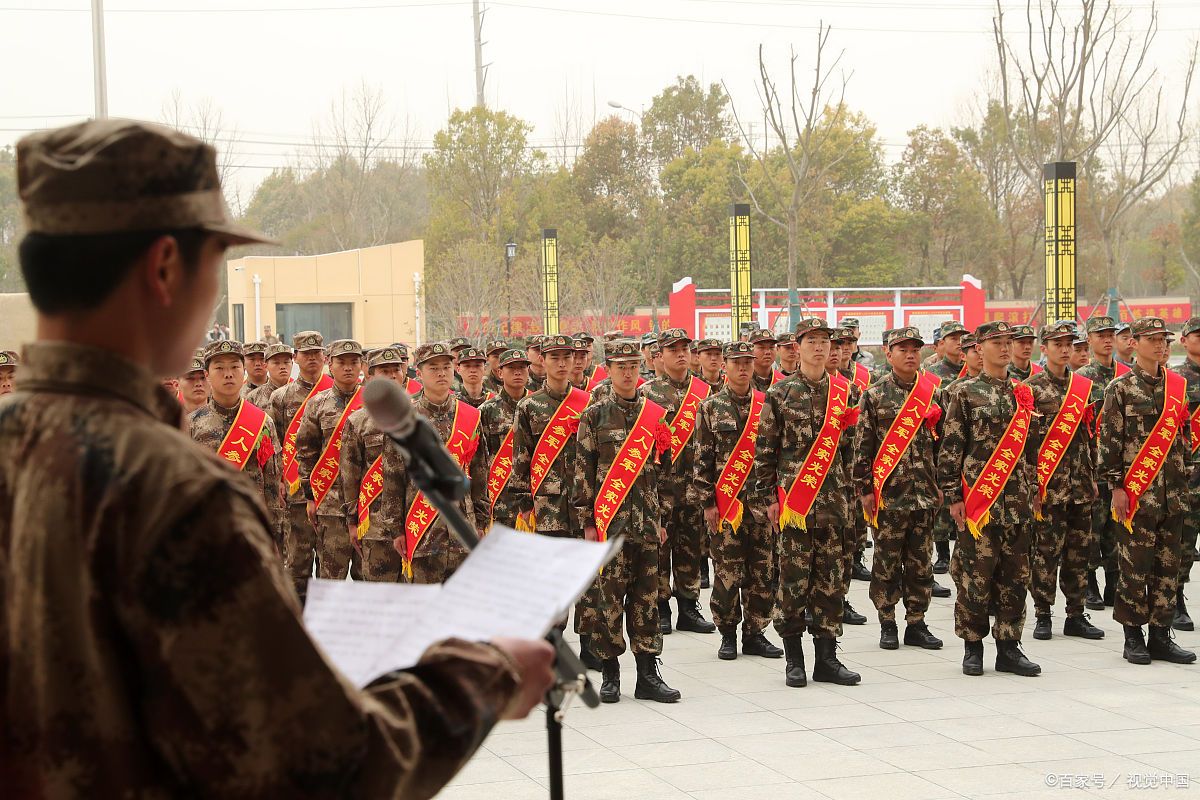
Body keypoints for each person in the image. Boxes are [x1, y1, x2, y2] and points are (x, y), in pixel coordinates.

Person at [1, 118, 550, 797]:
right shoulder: (178, 493)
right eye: (216, 262)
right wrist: (483, 676)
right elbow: (320, 764)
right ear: (165, 267)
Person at [753, 317, 862, 687]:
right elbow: (765, 451)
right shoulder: (780, 394)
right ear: (796, 347)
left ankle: (827, 659)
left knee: (831, 582)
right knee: (793, 582)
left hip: (835, 503)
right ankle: (794, 660)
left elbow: (852, 451)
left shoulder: (845, 393)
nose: (819, 347)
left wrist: (853, 495)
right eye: (811, 341)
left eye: (824, 341)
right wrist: (768, 497)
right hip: (795, 506)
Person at [573, 340, 681, 704]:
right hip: (609, 526)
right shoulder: (594, 416)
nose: (628, 372)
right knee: (608, 601)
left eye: (634, 365)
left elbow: (665, 470)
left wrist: (662, 516)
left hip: (647, 523)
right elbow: (583, 472)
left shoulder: (655, 415)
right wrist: (587, 522)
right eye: (621, 366)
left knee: (647, 599)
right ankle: (610, 675)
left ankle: (648, 675)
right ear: (609, 369)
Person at [938, 321, 1041, 677]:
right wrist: (953, 495)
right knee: (974, 576)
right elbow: (951, 447)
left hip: (1017, 502)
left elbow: (1031, 449)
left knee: (1016, 577)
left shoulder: (1024, 392)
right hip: (979, 503)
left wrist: (1035, 489)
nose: (1004, 347)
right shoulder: (964, 393)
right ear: (979, 348)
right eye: (996, 342)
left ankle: (1009, 647)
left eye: (1008, 341)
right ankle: (973, 646)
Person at [1098, 316, 1196, 665]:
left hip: (1173, 494)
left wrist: (1185, 476)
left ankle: (1160, 635)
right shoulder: (1120, 388)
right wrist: (1116, 487)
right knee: (1134, 566)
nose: (1160, 345)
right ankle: (1132, 636)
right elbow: (1109, 441)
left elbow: (1184, 438)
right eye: (1152, 339)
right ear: (1134, 342)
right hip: (1137, 493)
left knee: (1168, 566)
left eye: (1164, 340)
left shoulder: (1177, 386)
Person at [852, 327, 944, 651]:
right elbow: (862, 446)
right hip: (889, 495)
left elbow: (944, 445)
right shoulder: (874, 395)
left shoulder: (933, 393)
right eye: (902, 349)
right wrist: (865, 489)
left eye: (915, 349)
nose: (910, 355)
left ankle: (916, 622)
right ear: (889, 354)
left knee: (921, 562)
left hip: (924, 493)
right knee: (886, 561)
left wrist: (942, 484)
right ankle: (887, 621)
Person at [693, 341, 782, 660]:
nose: (743, 368)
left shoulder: (768, 403)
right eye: (736, 362)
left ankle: (756, 633)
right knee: (727, 574)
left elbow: (775, 455)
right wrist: (707, 503)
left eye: (748, 362)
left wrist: (775, 498)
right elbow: (702, 459)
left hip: (760, 504)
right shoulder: (710, 407)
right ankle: (728, 634)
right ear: (725, 366)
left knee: (763, 573)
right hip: (726, 505)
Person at [1026, 322, 1104, 641]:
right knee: (1045, 552)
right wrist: (1032, 485)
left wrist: (1093, 475)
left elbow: (1091, 435)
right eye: (1057, 343)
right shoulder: (1030, 389)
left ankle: (1076, 614)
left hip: (1081, 484)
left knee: (1079, 553)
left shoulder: (1083, 387)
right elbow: (1025, 443)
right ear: (1044, 348)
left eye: (1069, 344)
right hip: (1048, 487)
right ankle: (1043, 614)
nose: (1064, 349)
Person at [390, 342, 491, 583]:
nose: (441, 373)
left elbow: (479, 471)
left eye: (446, 367)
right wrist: (395, 529)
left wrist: (481, 520)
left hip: (463, 527)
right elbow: (393, 475)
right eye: (433, 368)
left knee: (463, 601)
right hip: (422, 528)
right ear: (419, 372)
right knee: (425, 602)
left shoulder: (470, 415)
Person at [641, 328, 716, 635]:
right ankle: (660, 608)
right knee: (659, 550)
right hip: (661, 489)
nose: (681, 354)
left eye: (685, 349)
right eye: (673, 350)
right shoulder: (647, 394)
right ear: (660, 355)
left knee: (691, 549)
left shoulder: (706, 392)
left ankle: (688, 607)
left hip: (694, 487)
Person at [188, 340, 285, 553]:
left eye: (234, 367)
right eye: (219, 368)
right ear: (206, 375)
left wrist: (274, 536)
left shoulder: (263, 422)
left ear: (243, 371)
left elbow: (271, 483)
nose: (228, 374)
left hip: (252, 531)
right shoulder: (191, 424)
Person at [295, 339, 366, 581]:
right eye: (341, 362)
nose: (348, 368)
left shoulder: (372, 402)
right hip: (330, 502)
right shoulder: (317, 404)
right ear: (330, 364)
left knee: (367, 578)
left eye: (354, 362)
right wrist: (310, 496)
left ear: (362, 365)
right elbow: (306, 452)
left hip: (368, 504)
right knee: (330, 577)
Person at [269, 330, 331, 602]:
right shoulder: (281, 397)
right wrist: (280, 480)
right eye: (306, 354)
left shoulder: (336, 393)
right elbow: (276, 443)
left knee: (330, 565)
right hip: (296, 493)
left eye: (317, 353)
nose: (312, 358)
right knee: (298, 564)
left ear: (324, 357)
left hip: (332, 491)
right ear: (296, 357)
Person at [340, 347, 408, 581]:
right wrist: (352, 521)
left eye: (396, 370)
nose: (392, 376)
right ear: (370, 376)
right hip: (376, 525)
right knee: (380, 594)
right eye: (384, 371)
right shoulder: (358, 421)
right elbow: (349, 475)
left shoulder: (420, 414)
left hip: (418, 520)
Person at [1075, 315, 1125, 611]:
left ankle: (1113, 583)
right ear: (1090, 340)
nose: (1107, 340)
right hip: (1093, 466)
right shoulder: (1081, 379)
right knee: (1093, 529)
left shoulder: (1125, 374)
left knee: (1116, 531)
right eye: (1101, 335)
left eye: (1110, 335)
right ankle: (1090, 584)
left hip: (1120, 465)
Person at [479, 348, 531, 530]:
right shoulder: (486, 410)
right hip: (500, 499)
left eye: (522, 367)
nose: (518, 372)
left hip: (534, 500)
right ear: (500, 372)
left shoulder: (537, 406)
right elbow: (480, 460)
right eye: (511, 368)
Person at [1173, 317, 1200, 631]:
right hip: (1191, 473)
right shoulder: (1176, 380)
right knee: (1184, 542)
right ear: (1184, 340)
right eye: (1197, 335)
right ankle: (1176, 598)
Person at [245, 342, 293, 410]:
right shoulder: (254, 397)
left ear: (292, 364)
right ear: (266, 366)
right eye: (276, 363)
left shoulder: (301, 392)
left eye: (286, 362)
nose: (282, 367)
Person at [748, 328, 782, 393]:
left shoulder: (783, 381)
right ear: (750, 350)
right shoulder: (742, 382)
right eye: (761, 348)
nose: (767, 352)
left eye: (771, 347)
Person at [179, 348, 209, 418]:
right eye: (191, 378)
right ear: (177, 384)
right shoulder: (168, 419)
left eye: (203, 378)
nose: (198, 384)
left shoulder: (226, 418)